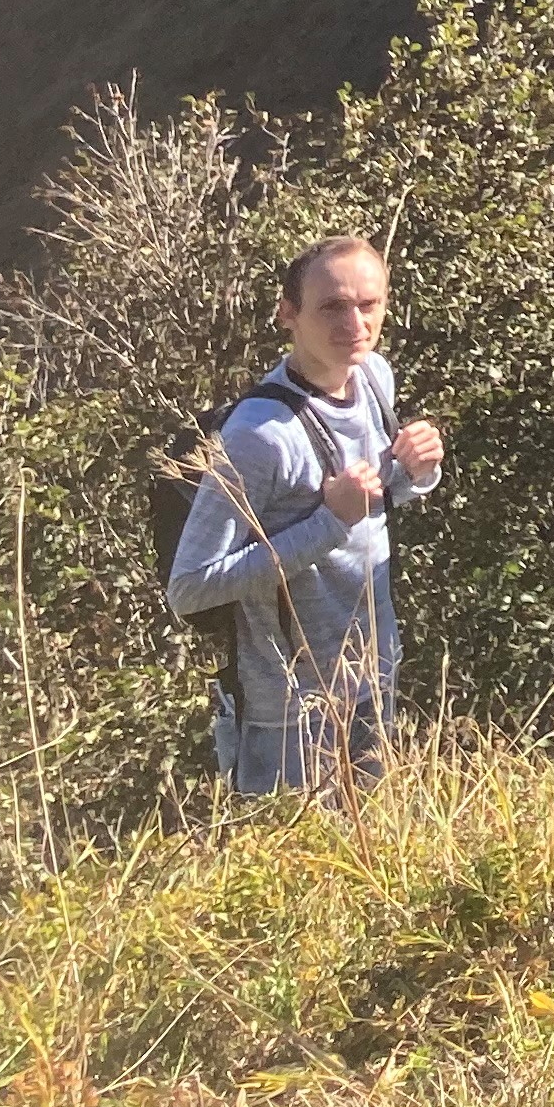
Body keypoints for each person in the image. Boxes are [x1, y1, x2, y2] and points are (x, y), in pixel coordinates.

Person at [166, 235, 449, 797]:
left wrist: (420, 472)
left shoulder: (373, 378)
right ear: (288, 314)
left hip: (371, 678)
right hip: (291, 713)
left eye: (368, 305)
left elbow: (373, 501)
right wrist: (328, 523)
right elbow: (190, 587)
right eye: (332, 307)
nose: (355, 324)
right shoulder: (258, 436)